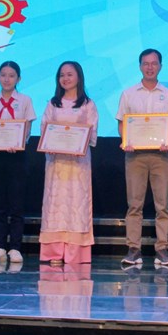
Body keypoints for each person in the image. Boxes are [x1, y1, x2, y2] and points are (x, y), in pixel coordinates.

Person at [116, 49, 168, 269]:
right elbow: (122, 124)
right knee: (134, 205)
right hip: (135, 156)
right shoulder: (128, 94)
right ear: (140, 66)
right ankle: (133, 249)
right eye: (146, 63)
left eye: (154, 63)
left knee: (162, 205)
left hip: (162, 156)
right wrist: (126, 140)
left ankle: (162, 249)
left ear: (160, 66)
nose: (150, 67)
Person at [39, 61, 98, 264]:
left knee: (76, 204)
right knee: (55, 204)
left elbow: (92, 132)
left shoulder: (88, 104)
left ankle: (75, 253)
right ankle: (54, 252)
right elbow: (44, 129)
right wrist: (50, 142)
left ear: (79, 77)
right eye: (62, 75)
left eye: (70, 74)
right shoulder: (53, 104)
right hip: (56, 163)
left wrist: (78, 141)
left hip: (78, 164)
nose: (65, 78)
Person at [0, 61, 36, 264]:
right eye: (3, 75)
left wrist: (19, 142)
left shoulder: (25, 100)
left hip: (17, 156)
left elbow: (27, 128)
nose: (7, 79)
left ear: (18, 79)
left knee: (17, 203)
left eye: (11, 75)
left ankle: (15, 247)